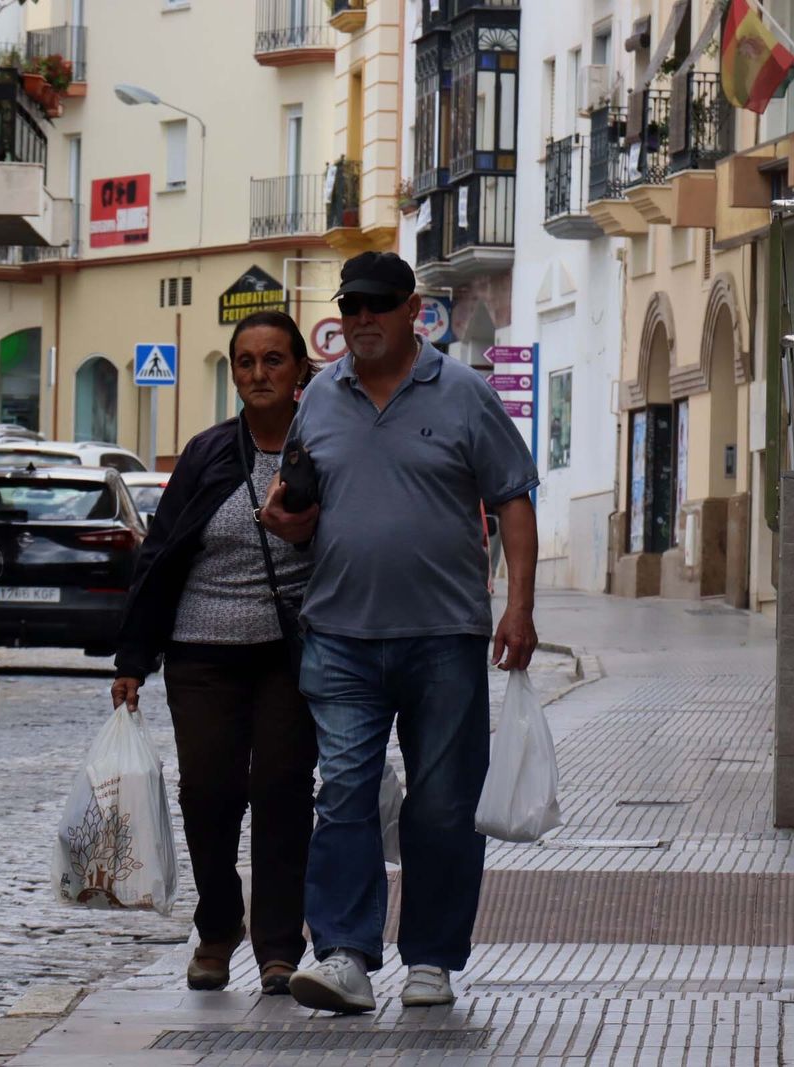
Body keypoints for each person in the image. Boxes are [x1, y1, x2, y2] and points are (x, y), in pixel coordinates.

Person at [260, 251, 540, 1014]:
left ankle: (432, 957)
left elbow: (513, 498)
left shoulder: (464, 393)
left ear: (413, 310)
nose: (362, 319)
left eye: (377, 305)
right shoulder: (320, 396)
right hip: (339, 632)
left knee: (443, 803)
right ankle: (345, 954)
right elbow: (301, 503)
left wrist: (519, 607)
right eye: (351, 306)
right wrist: (285, 519)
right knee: (345, 792)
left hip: (444, 635)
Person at [111, 310, 322, 997]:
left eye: (273, 360)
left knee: (283, 791)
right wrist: (133, 659)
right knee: (208, 793)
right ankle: (218, 926)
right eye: (246, 362)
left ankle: (280, 947)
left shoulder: (323, 447)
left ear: (299, 370)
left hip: (289, 653)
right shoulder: (207, 453)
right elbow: (161, 553)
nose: (258, 374)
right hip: (201, 652)